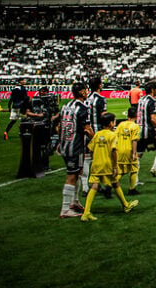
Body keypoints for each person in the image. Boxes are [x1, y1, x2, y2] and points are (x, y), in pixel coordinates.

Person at [80, 113, 139, 222]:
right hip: (107, 164)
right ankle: (126, 205)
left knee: (94, 186)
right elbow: (113, 151)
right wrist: (115, 166)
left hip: (96, 164)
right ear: (111, 123)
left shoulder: (97, 134)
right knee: (115, 183)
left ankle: (86, 212)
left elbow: (90, 149)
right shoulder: (112, 135)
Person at [59, 82, 93, 219]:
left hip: (64, 144)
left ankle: (74, 202)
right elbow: (87, 129)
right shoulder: (82, 108)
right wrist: (96, 139)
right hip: (75, 146)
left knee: (78, 172)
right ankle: (65, 209)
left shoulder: (66, 106)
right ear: (81, 92)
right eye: (85, 90)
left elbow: (59, 126)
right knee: (72, 175)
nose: (87, 92)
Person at [83, 77, 108, 194]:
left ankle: (84, 187)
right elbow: (104, 117)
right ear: (99, 85)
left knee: (86, 159)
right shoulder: (101, 99)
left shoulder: (86, 99)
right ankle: (101, 184)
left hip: (85, 131)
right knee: (99, 158)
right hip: (97, 132)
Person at [136, 80, 156, 185]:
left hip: (139, 130)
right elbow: (153, 119)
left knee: (138, 154)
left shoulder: (141, 100)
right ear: (152, 90)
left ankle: (135, 179)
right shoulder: (152, 101)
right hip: (149, 131)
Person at [116, 107, 141, 195]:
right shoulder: (135, 126)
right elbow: (134, 140)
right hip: (129, 150)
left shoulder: (121, 124)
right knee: (134, 169)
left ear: (127, 115)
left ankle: (109, 185)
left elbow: (116, 136)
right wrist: (134, 153)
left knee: (121, 170)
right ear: (136, 116)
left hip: (119, 149)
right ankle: (132, 189)